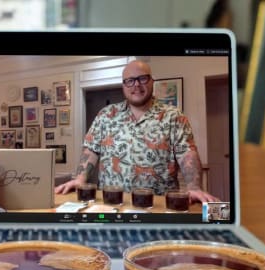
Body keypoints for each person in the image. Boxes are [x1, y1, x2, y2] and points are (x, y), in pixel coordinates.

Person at [55, 60, 218, 204]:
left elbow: (187, 153)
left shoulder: (173, 116)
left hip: (158, 205)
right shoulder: (106, 114)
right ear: (123, 86)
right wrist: (79, 179)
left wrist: (194, 187)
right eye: (130, 81)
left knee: (218, 215)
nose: (136, 85)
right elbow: (91, 149)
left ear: (152, 81)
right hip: (111, 203)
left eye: (142, 78)